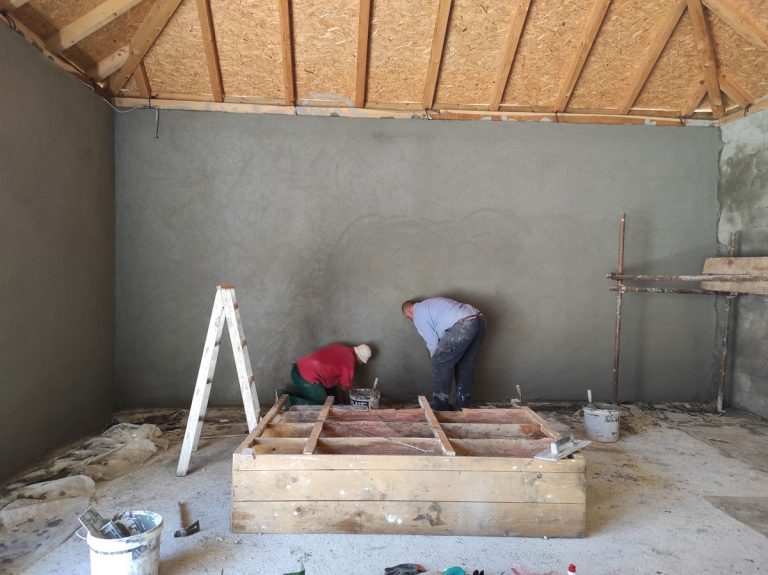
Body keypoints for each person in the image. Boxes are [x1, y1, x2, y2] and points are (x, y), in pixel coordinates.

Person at [402, 297, 485, 411]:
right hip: (479, 320)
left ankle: (440, 407)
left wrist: (435, 358)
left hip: (464, 324)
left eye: (408, 317)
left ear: (409, 313)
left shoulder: (418, 313)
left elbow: (432, 342)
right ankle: (463, 406)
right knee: (465, 365)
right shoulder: (430, 306)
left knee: (440, 362)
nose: (411, 319)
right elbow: (444, 334)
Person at [279, 343, 372, 406]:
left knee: (316, 398)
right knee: (322, 406)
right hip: (306, 377)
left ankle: (283, 395)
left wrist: (340, 402)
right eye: (362, 361)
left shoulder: (342, 348)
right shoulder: (349, 361)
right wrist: (349, 401)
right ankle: (286, 402)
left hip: (298, 369)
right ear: (360, 358)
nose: (361, 363)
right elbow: (344, 387)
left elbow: (339, 385)